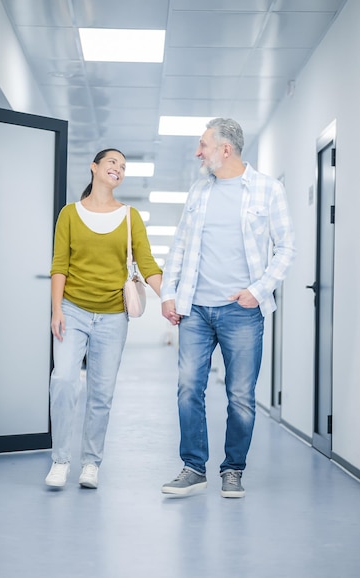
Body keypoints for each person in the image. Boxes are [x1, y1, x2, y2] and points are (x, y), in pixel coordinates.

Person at [160, 118, 295, 498]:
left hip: (242, 311)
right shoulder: (199, 191)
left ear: (225, 149)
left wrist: (259, 289)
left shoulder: (268, 190)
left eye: (203, 145)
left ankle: (233, 469)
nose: (197, 152)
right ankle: (193, 467)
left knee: (241, 396)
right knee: (189, 387)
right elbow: (181, 247)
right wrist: (169, 293)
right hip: (196, 309)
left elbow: (286, 248)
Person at [45, 148, 162, 489]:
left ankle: (91, 464)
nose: (119, 168)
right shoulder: (69, 214)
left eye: (123, 167)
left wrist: (169, 298)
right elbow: (59, 265)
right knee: (64, 380)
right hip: (72, 310)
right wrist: (56, 309)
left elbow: (148, 263)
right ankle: (60, 460)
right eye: (112, 162)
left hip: (113, 315)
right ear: (94, 168)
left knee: (101, 392)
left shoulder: (130, 216)